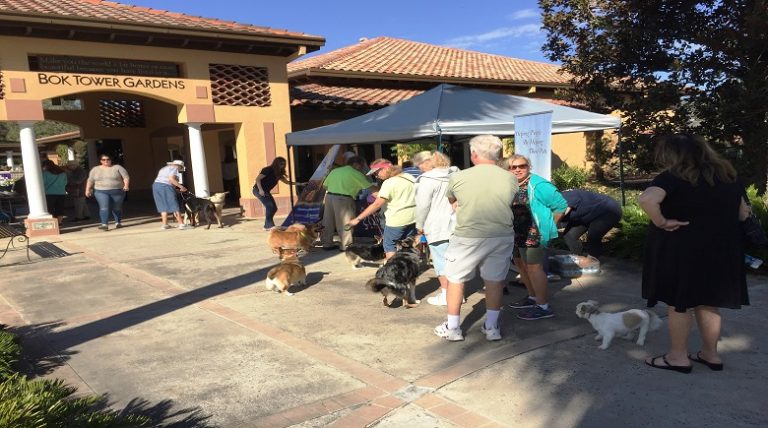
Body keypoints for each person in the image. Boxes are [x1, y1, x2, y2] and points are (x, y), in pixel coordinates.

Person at [638, 134, 749, 373]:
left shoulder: (673, 177)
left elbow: (647, 199)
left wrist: (661, 221)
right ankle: (711, 354)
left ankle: (678, 357)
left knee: (680, 303)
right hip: (721, 250)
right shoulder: (728, 177)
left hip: (682, 249)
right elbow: (743, 214)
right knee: (709, 301)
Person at [432, 135, 518, 342]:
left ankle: (453, 329)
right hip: (501, 234)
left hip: (467, 236)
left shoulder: (459, 177)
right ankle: (492, 328)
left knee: (455, 280)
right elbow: (510, 200)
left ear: (474, 154)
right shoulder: (510, 177)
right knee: (495, 281)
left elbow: (452, 199)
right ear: (498, 155)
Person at [501, 155, 568, 321]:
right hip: (516, 233)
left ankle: (543, 306)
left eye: (521, 166)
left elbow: (561, 206)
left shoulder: (539, 185)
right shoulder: (511, 185)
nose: (517, 169)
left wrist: (548, 226)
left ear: (528, 166)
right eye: (512, 167)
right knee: (521, 266)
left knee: (534, 268)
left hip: (533, 234)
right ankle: (532, 297)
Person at [346, 158, 417, 259]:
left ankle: (393, 270)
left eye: (377, 172)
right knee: (407, 245)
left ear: (385, 169)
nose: (376, 176)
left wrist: (358, 219)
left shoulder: (389, 183)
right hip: (413, 219)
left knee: (389, 245)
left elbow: (376, 204)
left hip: (396, 221)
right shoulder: (409, 177)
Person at [413, 151, 458, 306]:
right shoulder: (456, 174)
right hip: (458, 223)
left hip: (436, 225)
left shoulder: (427, 179)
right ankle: (458, 294)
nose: (419, 168)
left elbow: (422, 206)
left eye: (420, 165)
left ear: (427, 163)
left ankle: (447, 295)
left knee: (440, 262)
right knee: (456, 262)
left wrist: (419, 225)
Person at [319, 156, 375, 250]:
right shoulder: (356, 173)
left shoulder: (335, 171)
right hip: (344, 198)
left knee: (328, 221)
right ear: (356, 164)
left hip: (329, 197)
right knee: (345, 222)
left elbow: (325, 186)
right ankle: (346, 246)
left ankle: (327, 244)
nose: (361, 168)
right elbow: (369, 187)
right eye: (361, 166)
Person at [560, 189, 622, 259]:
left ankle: (592, 262)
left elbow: (561, 213)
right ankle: (578, 259)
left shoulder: (565, 196)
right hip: (586, 215)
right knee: (570, 235)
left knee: (593, 237)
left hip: (607, 211)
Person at [253, 157, 304, 230]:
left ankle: (267, 225)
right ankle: (269, 225)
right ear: (276, 164)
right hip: (258, 190)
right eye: (280, 164)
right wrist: (261, 190)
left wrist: (300, 184)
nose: (282, 166)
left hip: (266, 191)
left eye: (283, 164)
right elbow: (258, 179)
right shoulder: (267, 170)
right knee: (270, 206)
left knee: (274, 208)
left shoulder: (278, 173)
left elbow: (287, 182)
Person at [85, 154, 129, 231]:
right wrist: (87, 190)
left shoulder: (117, 167)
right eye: (103, 160)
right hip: (100, 191)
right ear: (100, 161)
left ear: (111, 160)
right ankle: (104, 224)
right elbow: (90, 180)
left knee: (117, 207)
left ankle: (118, 222)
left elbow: (126, 177)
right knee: (104, 207)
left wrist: (126, 185)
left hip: (117, 191)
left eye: (108, 159)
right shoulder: (95, 169)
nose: (106, 161)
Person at [152, 160, 189, 230]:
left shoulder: (164, 168)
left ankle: (164, 224)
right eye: (180, 167)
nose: (179, 169)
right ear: (178, 166)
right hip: (165, 186)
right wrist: (181, 187)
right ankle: (181, 224)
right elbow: (171, 179)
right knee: (173, 204)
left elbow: (166, 180)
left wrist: (175, 189)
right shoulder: (174, 168)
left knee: (162, 205)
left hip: (156, 186)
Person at [41, 159, 68, 224]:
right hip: (61, 193)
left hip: (49, 193)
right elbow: (65, 183)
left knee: (50, 208)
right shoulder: (62, 173)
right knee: (60, 208)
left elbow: (42, 183)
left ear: (46, 166)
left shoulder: (45, 173)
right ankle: (60, 222)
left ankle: (52, 222)